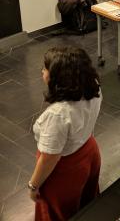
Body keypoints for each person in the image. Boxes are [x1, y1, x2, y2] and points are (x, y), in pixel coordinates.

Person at [29, 47, 102, 221]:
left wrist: (33, 185)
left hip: (65, 170)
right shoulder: (94, 86)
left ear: (57, 77)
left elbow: (50, 158)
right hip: (89, 150)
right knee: (88, 201)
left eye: (46, 68)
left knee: (59, 213)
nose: (42, 71)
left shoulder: (58, 114)